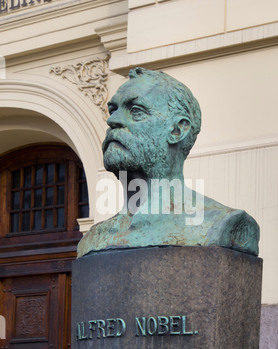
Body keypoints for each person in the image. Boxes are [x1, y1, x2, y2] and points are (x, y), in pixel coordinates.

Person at [78, 67, 259, 257]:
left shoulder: (224, 225)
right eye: (113, 110)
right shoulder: (94, 239)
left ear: (177, 130)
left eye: (136, 111)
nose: (113, 120)